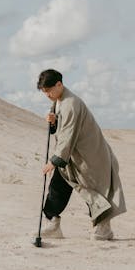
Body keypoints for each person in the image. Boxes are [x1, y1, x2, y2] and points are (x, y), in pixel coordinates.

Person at [37, 69, 126, 240]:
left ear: (59, 84)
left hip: (90, 159)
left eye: (49, 90)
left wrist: (54, 161)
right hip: (72, 158)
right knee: (57, 187)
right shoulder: (59, 100)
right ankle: (52, 224)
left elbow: (68, 136)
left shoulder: (71, 103)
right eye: (44, 92)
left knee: (94, 192)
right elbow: (62, 129)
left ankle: (104, 228)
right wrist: (54, 122)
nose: (47, 95)